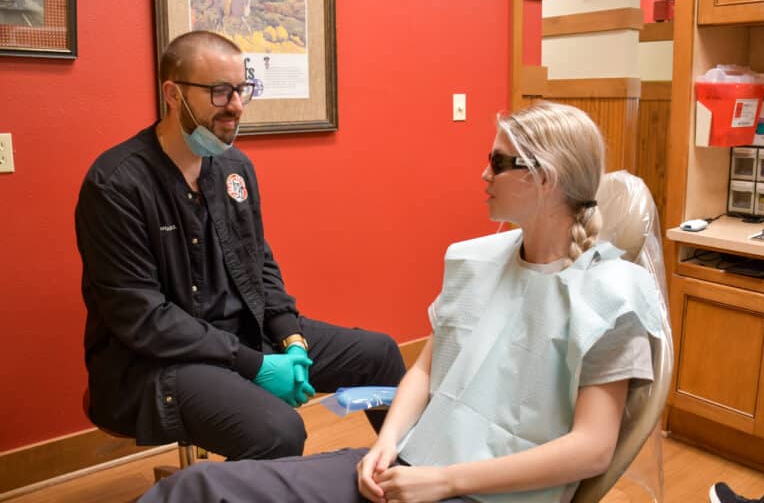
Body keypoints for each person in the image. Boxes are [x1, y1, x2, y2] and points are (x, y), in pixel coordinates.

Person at [136, 101, 665, 503]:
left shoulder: (610, 296)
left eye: (496, 162)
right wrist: (385, 445)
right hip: (412, 466)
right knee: (196, 488)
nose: (482, 175)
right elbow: (423, 372)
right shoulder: (476, 262)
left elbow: (592, 448)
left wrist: (444, 480)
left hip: (483, 492)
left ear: (543, 180)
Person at [75, 30, 405, 461]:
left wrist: (291, 339)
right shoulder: (116, 185)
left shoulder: (235, 168)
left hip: (243, 336)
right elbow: (145, 320)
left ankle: (413, 476)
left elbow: (258, 264)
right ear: (173, 95)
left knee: (379, 355)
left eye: (241, 89)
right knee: (277, 431)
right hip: (159, 362)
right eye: (219, 91)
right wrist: (256, 366)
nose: (236, 105)